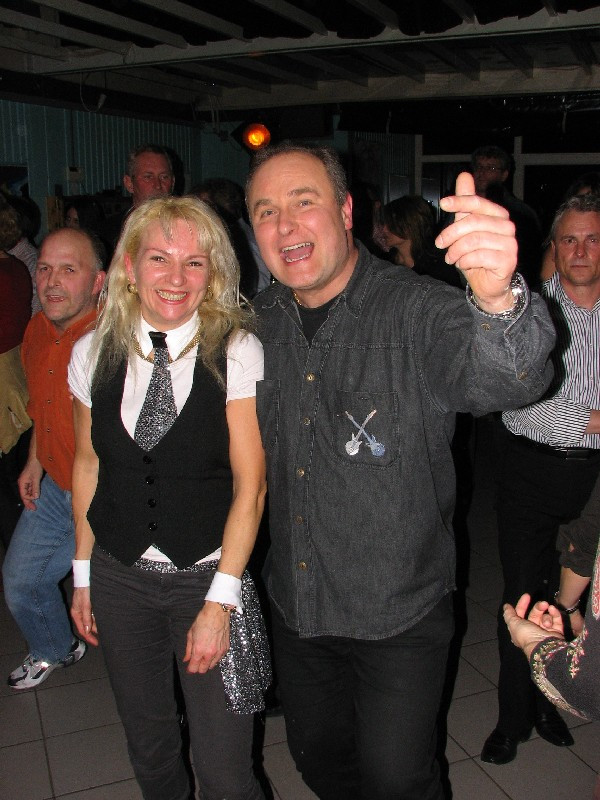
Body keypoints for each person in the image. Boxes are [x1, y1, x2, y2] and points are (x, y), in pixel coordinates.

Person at [245, 141, 555, 800]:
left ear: (346, 210)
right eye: (266, 211)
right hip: (299, 604)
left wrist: (498, 302)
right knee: (318, 761)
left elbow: (511, 381)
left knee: (398, 780)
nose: (285, 224)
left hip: (398, 613)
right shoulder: (255, 324)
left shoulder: (417, 310)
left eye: (304, 201)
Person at [68, 196, 270, 800]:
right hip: (118, 576)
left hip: (206, 577)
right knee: (151, 748)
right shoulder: (92, 352)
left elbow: (251, 486)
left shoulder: (236, 350)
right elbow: (88, 464)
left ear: (214, 274)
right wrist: (83, 574)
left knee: (226, 771)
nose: (176, 277)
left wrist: (220, 602)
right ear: (129, 266)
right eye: (159, 258)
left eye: (194, 262)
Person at [481, 193, 600, 766]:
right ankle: (513, 717)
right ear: (554, 247)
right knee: (523, 595)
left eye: (592, 239)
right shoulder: (530, 314)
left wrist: (575, 417)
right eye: (569, 239)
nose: (580, 251)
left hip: (595, 480)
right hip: (530, 471)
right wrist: (595, 420)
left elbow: (550, 406)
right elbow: (522, 408)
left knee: (575, 598)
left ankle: (555, 698)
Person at [2, 227, 106, 689]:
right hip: (56, 485)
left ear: (98, 281)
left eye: (69, 269)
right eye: (44, 269)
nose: (52, 281)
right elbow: (42, 407)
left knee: (117, 610)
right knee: (21, 582)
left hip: (104, 499)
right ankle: (56, 648)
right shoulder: (37, 330)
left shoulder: (112, 342)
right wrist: (35, 461)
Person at [0, 199, 33, 547]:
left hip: (5, 380)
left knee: (7, 482)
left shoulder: (9, 272)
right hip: (14, 377)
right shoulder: (15, 267)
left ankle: (17, 552)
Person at [471, 145, 542, 288]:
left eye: (490, 168)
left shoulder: (521, 213)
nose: (482, 173)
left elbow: (529, 263)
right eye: (479, 167)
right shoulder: (459, 208)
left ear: (504, 175)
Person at [99, 144, 175, 258]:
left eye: (164, 177)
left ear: (173, 182)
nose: (158, 185)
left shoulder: (186, 228)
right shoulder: (107, 235)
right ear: (129, 183)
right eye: (148, 177)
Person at [381, 195, 463, 287]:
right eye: (384, 223)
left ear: (410, 225)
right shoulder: (384, 263)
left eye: (391, 224)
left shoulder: (438, 268)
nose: (384, 230)